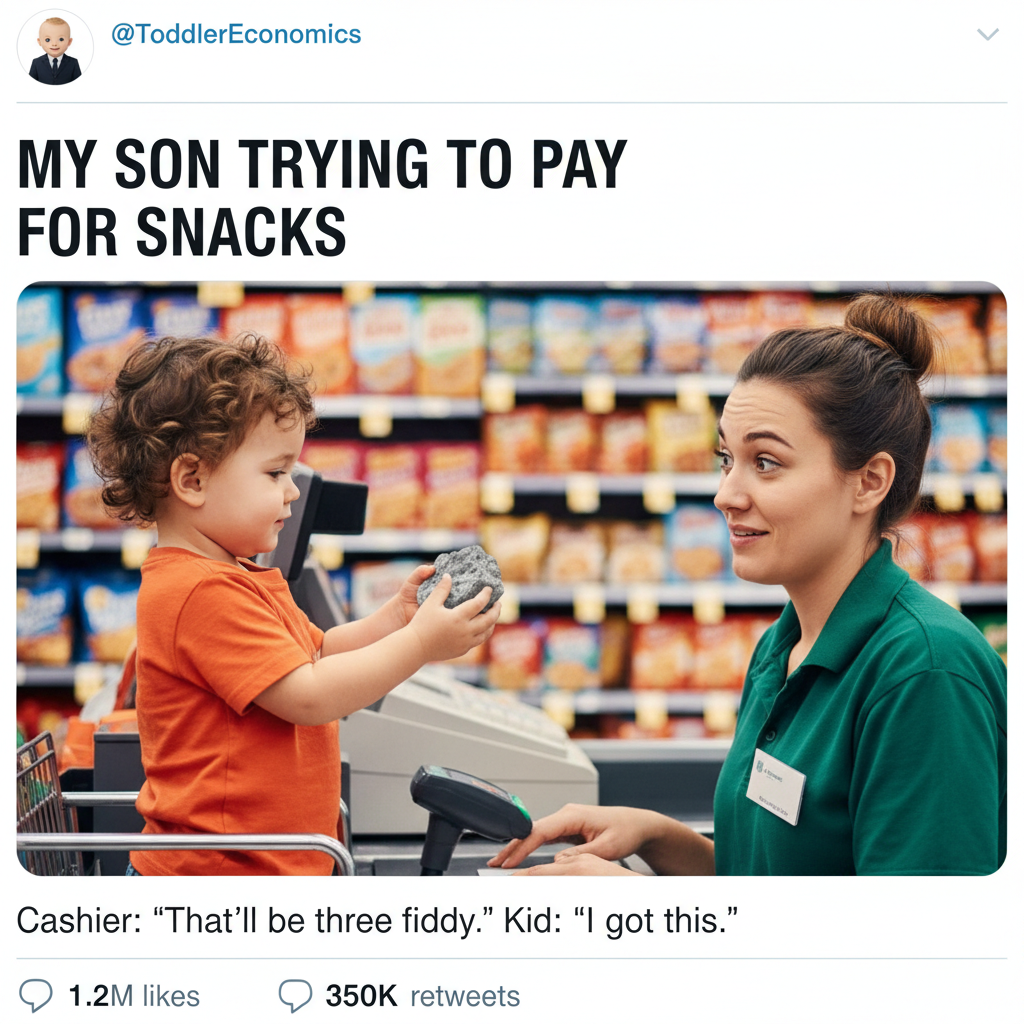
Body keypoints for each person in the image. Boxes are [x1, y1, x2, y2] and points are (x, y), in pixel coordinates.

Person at [491, 293, 1007, 876]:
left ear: (869, 482)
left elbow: (914, 950)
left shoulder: (926, 672)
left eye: (765, 462)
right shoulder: (780, 650)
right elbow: (778, 880)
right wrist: (661, 839)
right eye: (725, 459)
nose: (726, 495)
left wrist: (652, 913)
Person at [88, 335, 501, 875]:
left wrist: (395, 618)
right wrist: (420, 643)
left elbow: (320, 653)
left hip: (260, 870)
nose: (292, 492)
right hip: (217, 886)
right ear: (192, 480)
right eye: (275, 473)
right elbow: (308, 697)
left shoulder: (237, 576)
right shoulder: (197, 593)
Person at [28, 17, 81, 85]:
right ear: (39, 41)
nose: (54, 44)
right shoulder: (36, 62)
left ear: (69, 42)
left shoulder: (73, 62)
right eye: (48, 40)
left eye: (61, 39)